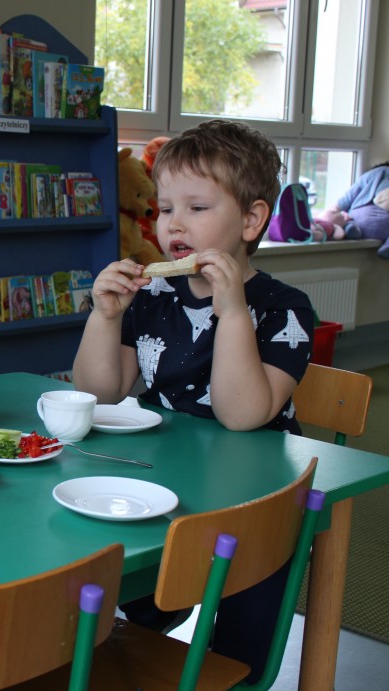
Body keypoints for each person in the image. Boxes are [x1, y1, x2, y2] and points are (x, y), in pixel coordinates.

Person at [73, 120, 315, 683]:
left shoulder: (284, 309)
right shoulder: (153, 296)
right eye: (164, 209)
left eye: (197, 208)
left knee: (241, 658)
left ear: (251, 220)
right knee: (127, 597)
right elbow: (99, 393)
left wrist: (232, 312)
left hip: (258, 500)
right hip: (169, 483)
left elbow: (243, 414)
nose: (173, 224)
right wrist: (104, 318)